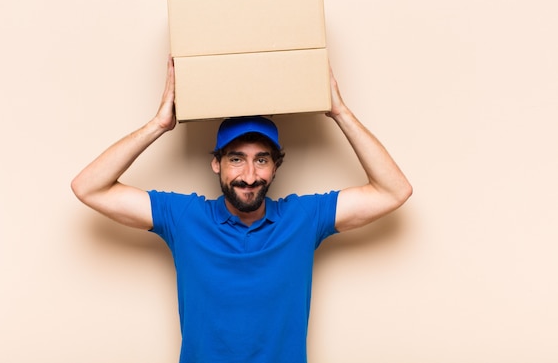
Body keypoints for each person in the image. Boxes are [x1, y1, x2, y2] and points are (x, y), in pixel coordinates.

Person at [71, 56, 412, 363]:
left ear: (275, 167)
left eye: (261, 160)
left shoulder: (303, 218)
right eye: (236, 159)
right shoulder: (185, 217)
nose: (249, 176)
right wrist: (159, 124)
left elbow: (394, 191)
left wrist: (340, 112)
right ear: (216, 164)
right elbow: (88, 187)